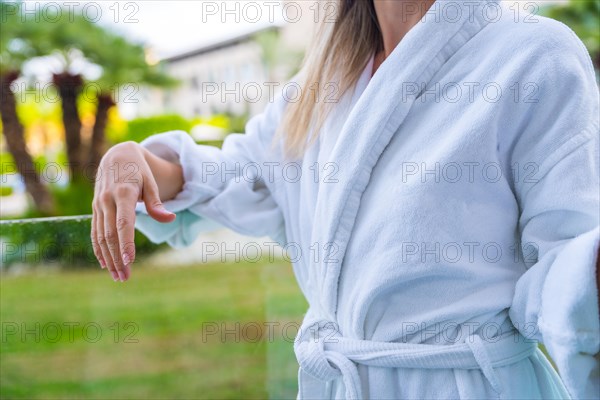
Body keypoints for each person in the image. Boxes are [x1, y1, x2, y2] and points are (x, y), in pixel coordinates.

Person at [91, 0, 600, 398]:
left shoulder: (534, 56)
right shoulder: (323, 84)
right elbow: (244, 175)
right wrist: (138, 163)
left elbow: (567, 259)